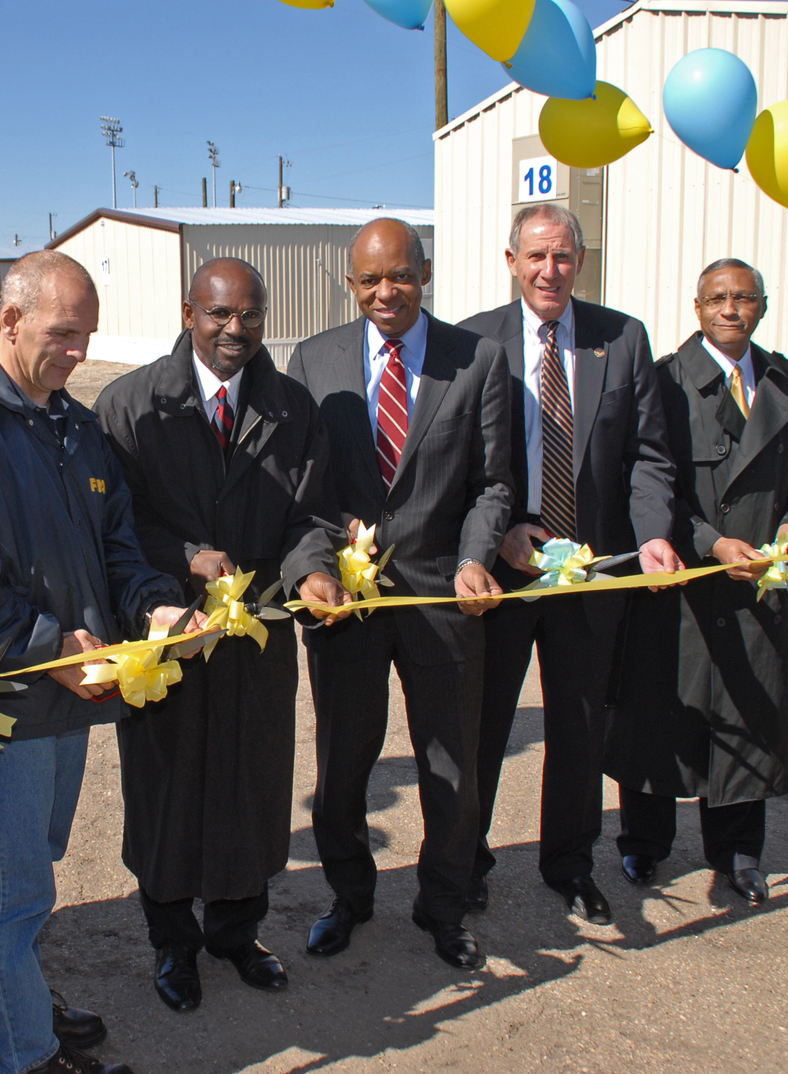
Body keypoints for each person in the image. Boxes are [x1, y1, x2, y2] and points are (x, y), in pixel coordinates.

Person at [0, 250, 196, 1074]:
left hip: (68, 694)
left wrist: (152, 606)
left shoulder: (76, 424)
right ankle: (23, 1054)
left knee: (36, 867)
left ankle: (16, 1002)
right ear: (10, 321)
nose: (76, 351)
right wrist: (46, 647)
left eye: (87, 336)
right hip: (4, 697)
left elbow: (117, 546)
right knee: (9, 881)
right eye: (63, 334)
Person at [95, 258, 348, 1012]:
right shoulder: (129, 404)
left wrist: (310, 572)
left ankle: (238, 932)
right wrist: (181, 558)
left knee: (250, 782)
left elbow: (312, 513)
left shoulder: (292, 407)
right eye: (219, 315)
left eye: (251, 316)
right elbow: (113, 523)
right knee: (167, 788)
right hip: (165, 633)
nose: (236, 331)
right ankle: (173, 943)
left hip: (255, 636)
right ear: (188, 313)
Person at [287, 217, 513, 971]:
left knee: (451, 767)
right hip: (344, 608)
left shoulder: (477, 360)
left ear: (425, 272)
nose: (386, 292)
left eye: (401, 275)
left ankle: (444, 906)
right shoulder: (313, 360)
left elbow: (493, 483)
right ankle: (348, 899)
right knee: (343, 765)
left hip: (442, 599)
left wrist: (476, 557)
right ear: (351, 283)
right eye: (369, 280)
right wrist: (314, 569)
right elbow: (301, 492)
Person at [459, 204, 680, 925]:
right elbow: (456, 463)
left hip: (594, 573)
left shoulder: (622, 339)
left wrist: (651, 534)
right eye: (536, 257)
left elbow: (649, 456)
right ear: (511, 260)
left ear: (579, 263)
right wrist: (494, 539)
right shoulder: (471, 341)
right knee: (483, 726)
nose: (549, 270)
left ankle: (571, 863)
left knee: (581, 727)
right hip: (505, 573)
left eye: (562, 258)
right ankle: (467, 862)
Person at [605, 259, 788, 905]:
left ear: (761, 305)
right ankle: (643, 845)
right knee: (656, 719)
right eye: (717, 298)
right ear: (697, 305)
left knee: (748, 719)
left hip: (757, 592)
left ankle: (738, 854)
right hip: (677, 584)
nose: (730, 310)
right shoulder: (663, 383)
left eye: (743, 299)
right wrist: (708, 542)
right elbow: (645, 482)